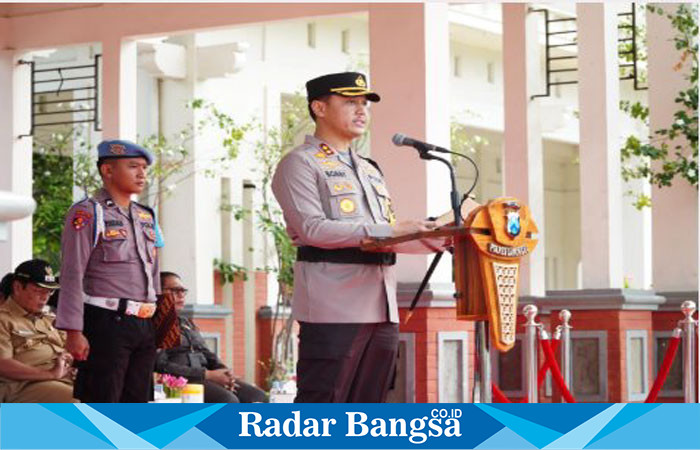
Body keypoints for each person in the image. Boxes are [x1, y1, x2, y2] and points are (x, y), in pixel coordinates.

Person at [271, 72, 437, 403]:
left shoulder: (370, 169)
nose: (362, 111)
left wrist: (440, 237)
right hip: (334, 306)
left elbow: (382, 236)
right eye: (350, 102)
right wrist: (394, 230)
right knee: (324, 402)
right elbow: (312, 229)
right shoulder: (299, 164)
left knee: (369, 405)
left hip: (381, 304)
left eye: (364, 104)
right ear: (319, 107)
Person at [56, 139, 162, 403]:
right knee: (103, 405)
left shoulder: (145, 215)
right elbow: (71, 273)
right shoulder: (88, 212)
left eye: (144, 168)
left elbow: (154, 271)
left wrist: (159, 320)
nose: (141, 174)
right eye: (133, 166)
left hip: (143, 324)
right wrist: (73, 331)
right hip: (106, 322)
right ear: (108, 170)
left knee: (137, 408)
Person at [155, 271, 267, 403]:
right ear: (158, 292)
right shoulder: (158, 323)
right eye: (174, 290)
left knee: (257, 396)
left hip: (206, 376)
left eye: (183, 291)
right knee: (228, 400)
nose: (181, 295)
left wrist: (224, 373)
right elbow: (160, 365)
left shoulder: (185, 322)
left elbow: (206, 353)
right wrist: (207, 375)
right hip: (183, 380)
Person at [0, 259, 76, 403]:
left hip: (63, 379)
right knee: (81, 401)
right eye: (39, 291)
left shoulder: (48, 319)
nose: (45, 298)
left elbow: (70, 350)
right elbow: (2, 364)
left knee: (114, 392)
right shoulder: (3, 319)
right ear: (17, 287)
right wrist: (50, 374)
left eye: (49, 292)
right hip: (23, 385)